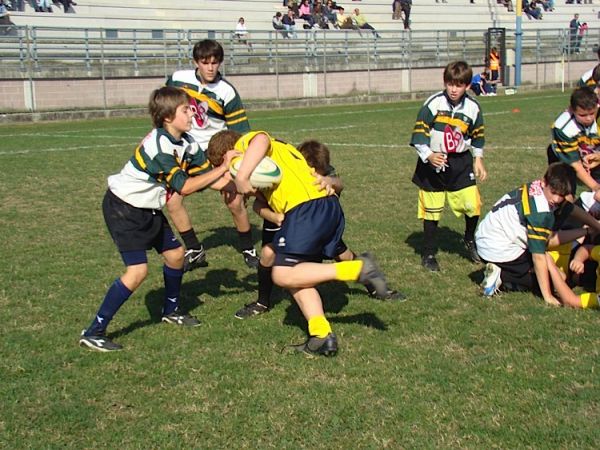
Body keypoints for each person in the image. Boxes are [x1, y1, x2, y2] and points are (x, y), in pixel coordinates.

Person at [206, 130, 395, 356]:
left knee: (282, 274)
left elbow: (260, 139)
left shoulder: (247, 144)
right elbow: (219, 185)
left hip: (305, 209)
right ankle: (321, 336)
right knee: (297, 277)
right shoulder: (275, 157)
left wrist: (241, 175)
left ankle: (356, 269)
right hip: (323, 206)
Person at [79, 87, 238, 352]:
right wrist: (223, 170)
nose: (192, 113)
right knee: (137, 271)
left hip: (147, 208)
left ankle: (171, 310)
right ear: (167, 117)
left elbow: (207, 175)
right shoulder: (158, 146)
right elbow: (185, 186)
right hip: (124, 208)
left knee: (176, 255)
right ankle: (94, 331)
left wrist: (236, 182)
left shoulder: (186, 141)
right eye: (185, 110)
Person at [233, 139, 405, 320]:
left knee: (342, 254)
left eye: (320, 172)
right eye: (313, 171)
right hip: (285, 221)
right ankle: (262, 302)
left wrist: (329, 180)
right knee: (268, 255)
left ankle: (375, 287)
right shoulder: (277, 169)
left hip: (311, 221)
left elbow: (340, 183)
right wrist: (274, 217)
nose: (314, 175)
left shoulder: (318, 178)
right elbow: (258, 204)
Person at [166, 39, 259, 271]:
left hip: (213, 153)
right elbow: (165, 107)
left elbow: (241, 132)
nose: (210, 67)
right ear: (196, 62)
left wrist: (243, 169)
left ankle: (249, 249)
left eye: (215, 63)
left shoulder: (227, 91)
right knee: (173, 200)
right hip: (185, 151)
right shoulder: (178, 79)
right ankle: (195, 250)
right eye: (205, 62)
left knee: (235, 199)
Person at [476, 163, 600, 305]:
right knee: (557, 279)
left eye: (562, 195)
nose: (557, 199)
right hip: (499, 248)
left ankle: (509, 277)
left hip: (488, 235)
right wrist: (547, 296)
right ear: (544, 182)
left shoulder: (540, 188)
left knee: (555, 274)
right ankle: (502, 276)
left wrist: (596, 226)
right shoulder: (540, 213)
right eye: (554, 193)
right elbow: (539, 254)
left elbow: (570, 209)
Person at [410, 61, 487, 272]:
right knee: (431, 211)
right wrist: (429, 155)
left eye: (459, 85)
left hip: (460, 162)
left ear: (467, 86)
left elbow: (478, 135)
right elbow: (418, 136)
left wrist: (478, 158)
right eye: (450, 84)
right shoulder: (432, 104)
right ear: (445, 83)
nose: (453, 89)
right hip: (432, 161)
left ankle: (469, 239)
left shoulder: (473, 108)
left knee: (473, 203)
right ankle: (428, 253)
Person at [547, 87, 600, 195]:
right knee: (564, 194)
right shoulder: (563, 128)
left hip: (593, 154)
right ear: (572, 109)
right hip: (563, 159)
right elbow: (574, 164)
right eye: (583, 115)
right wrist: (596, 187)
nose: (589, 119)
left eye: (592, 113)